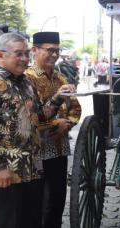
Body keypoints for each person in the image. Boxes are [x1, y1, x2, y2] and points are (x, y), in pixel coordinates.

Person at [0, 32, 75, 228]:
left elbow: (39, 116)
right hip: (7, 172)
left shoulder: (26, 83)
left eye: (26, 53)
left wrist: (58, 97)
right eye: (18, 54)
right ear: (1, 55)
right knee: (9, 222)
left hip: (33, 168)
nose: (25, 59)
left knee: (32, 220)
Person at [26, 32, 82, 228]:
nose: (54, 55)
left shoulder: (60, 77)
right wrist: (53, 125)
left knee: (57, 199)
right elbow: (29, 116)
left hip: (59, 147)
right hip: (36, 149)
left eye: (57, 51)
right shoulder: (27, 78)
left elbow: (75, 107)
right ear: (35, 50)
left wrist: (68, 123)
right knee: (38, 201)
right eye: (50, 50)